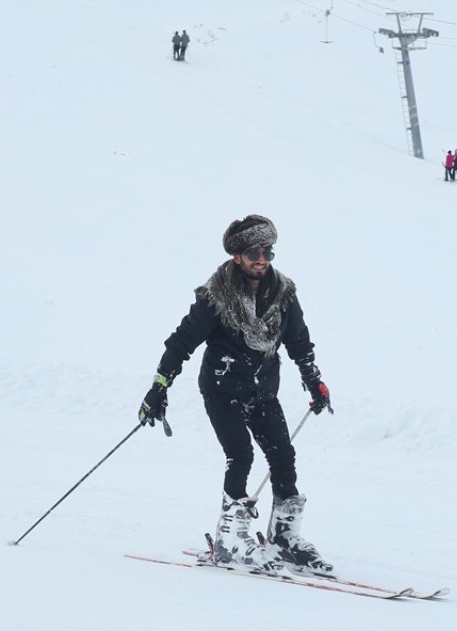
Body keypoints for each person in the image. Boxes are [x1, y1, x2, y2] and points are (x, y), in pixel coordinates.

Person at [138, 214, 335, 576]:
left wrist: (314, 381)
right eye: (253, 252)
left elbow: (299, 342)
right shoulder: (216, 297)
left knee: (283, 456)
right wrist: (159, 387)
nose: (262, 258)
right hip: (221, 388)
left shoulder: (284, 294)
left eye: (267, 251)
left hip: (263, 391)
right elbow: (181, 343)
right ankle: (231, 539)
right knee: (240, 454)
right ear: (237, 256)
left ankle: (284, 539)